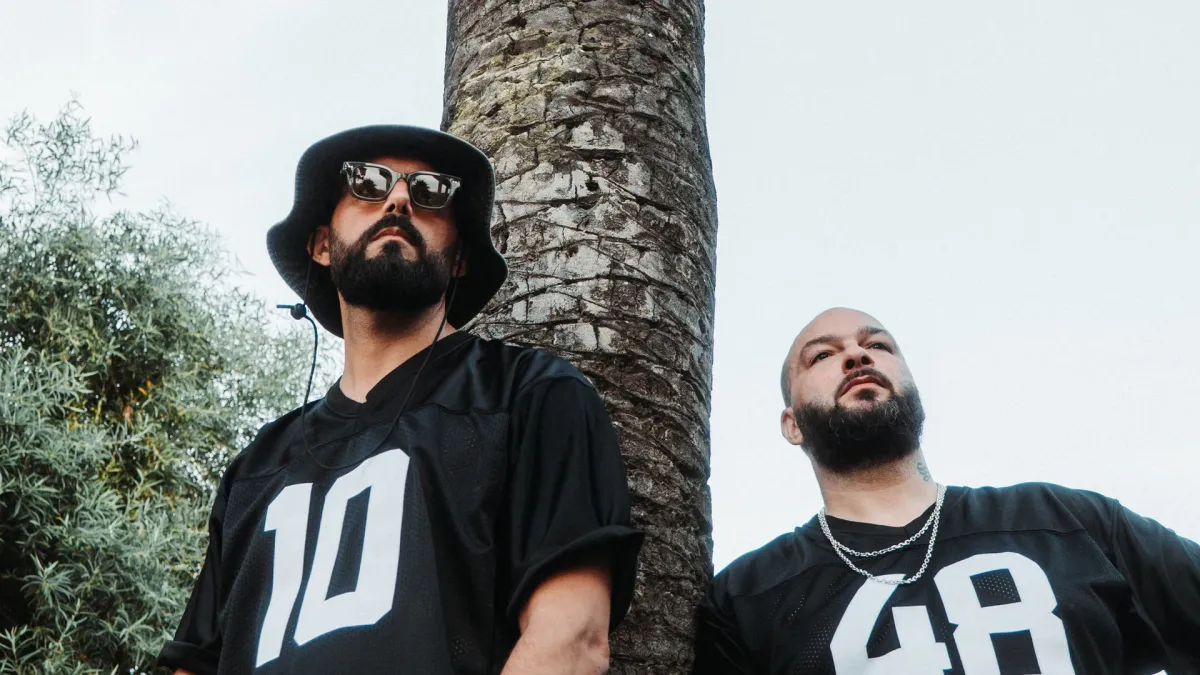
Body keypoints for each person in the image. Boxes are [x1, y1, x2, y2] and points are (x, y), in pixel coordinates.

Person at [157, 125, 643, 675]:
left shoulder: (531, 395)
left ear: (459, 259)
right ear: (321, 245)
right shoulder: (256, 468)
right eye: (367, 184)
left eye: (431, 191)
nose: (398, 200)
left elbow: (570, 639)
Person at [694, 307, 1200, 674]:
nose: (856, 355)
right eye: (822, 355)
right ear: (791, 425)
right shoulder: (749, 597)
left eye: (878, 346)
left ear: (913, 389)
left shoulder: (1064, 520)